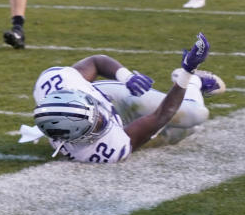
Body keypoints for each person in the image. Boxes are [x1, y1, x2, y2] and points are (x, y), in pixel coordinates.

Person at [22, 32, 224, 162]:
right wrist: (188, 69)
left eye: (95, 114)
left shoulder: (59, 81)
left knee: (194, 115)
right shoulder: (100, 150)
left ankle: (194, 83)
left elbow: (96, 61)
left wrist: (126, 76)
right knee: (190, 130)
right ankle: (190, 79)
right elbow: (160, 116)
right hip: (123, 132)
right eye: (96, 123)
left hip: (111, 98)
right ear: (81, 138)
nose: (101, 118)